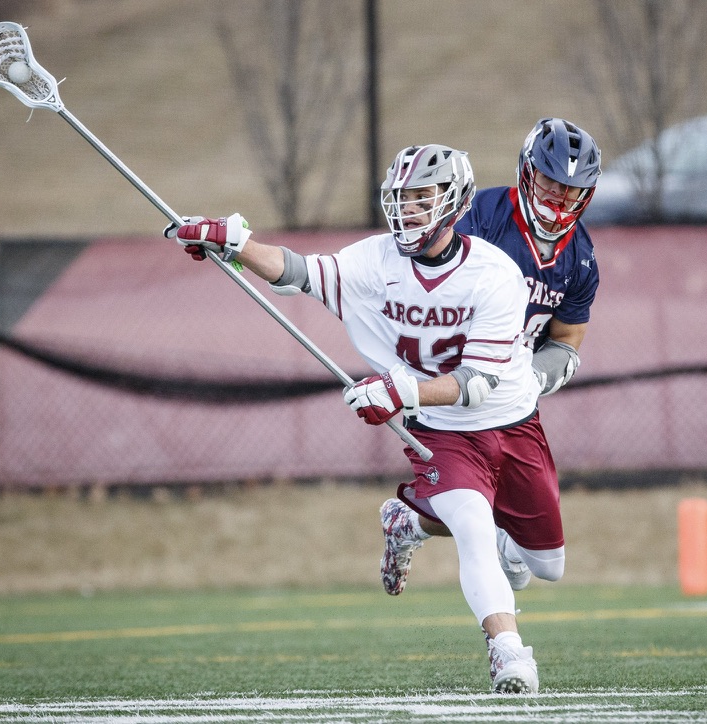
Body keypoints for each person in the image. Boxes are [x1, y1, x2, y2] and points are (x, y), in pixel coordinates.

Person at [166, 143, 556, 694]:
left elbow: (475, 385)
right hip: (442, 431)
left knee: (548, 564)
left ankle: (408, 522)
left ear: (455, 202)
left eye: (423, 197)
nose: (409, 210)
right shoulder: (375, 260)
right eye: (402, 198)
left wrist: (401, 390)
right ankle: (509, 653)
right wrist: (233, 243)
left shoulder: (495, 274)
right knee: (472, 525)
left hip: (509, 420)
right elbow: (297, 272)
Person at [377, 119, 602, 611]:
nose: (559, 200)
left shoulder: (581, 256)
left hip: (510, 401)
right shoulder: (482, 216)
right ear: (527, 173)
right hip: (450, 382)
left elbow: (566, 340)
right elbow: (426, 278)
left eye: (572, 191)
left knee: (542, 567)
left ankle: (409, 522)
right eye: (550, 184)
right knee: (472, 511)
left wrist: (532, 376)